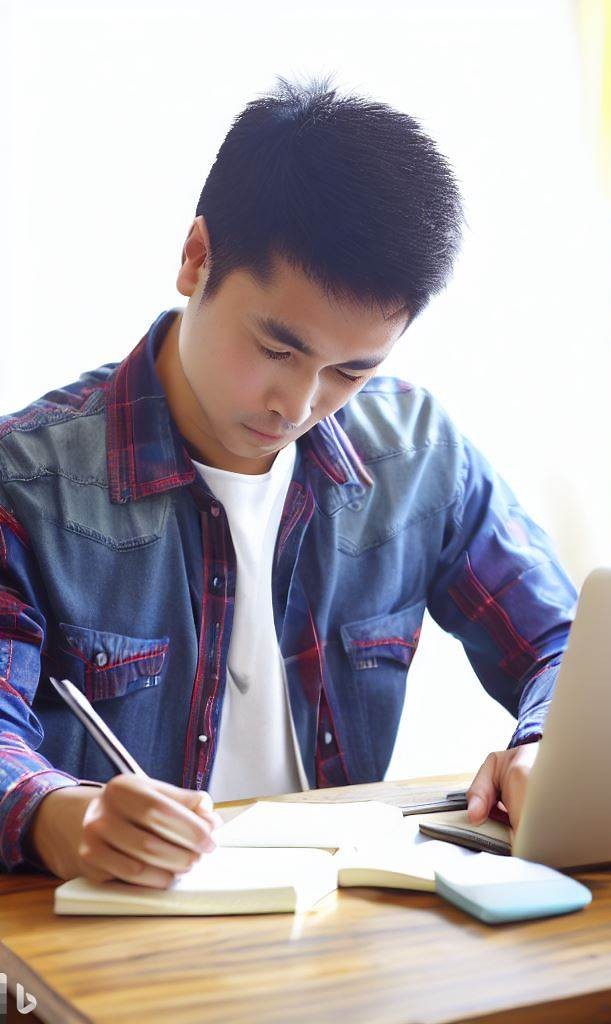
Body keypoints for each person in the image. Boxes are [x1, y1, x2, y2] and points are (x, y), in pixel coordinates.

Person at [0, 76, 576, 889]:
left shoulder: (414, 454)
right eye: (278, 350)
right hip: (110, 954)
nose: (299, 405)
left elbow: (562, 638)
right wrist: (60, 815)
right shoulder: (28, 484)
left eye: (350, 370)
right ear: (197, 258)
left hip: (339, 934)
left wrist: (547, 743)